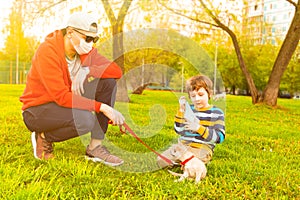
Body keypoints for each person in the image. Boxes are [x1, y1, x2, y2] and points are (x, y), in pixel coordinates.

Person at [20, 12, 125, 166]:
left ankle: (95, 147)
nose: (91, 43)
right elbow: (61, 96)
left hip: (64, 100)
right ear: (70, 33)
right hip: (37, 110)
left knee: (107, 83)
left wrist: (89, 70)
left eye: (95, 39)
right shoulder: (47, 51)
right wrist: (102, 107)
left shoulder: (85, 51)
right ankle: (43, 136)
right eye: (87, 38)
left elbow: (116, 71)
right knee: (84, 120)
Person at [157, 74, 225, 168]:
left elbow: (219, 138)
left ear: (209, 94)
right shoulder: (188, 110)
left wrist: (198, 128)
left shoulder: (217, 113)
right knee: (160, 160)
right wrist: (181, 111)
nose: (197, 99)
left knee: (192, 163)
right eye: (193, 96)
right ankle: (182, 162)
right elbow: (179, 130)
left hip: (201, 148)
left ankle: (187, 163)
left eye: (201, 95)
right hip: (183, 146)